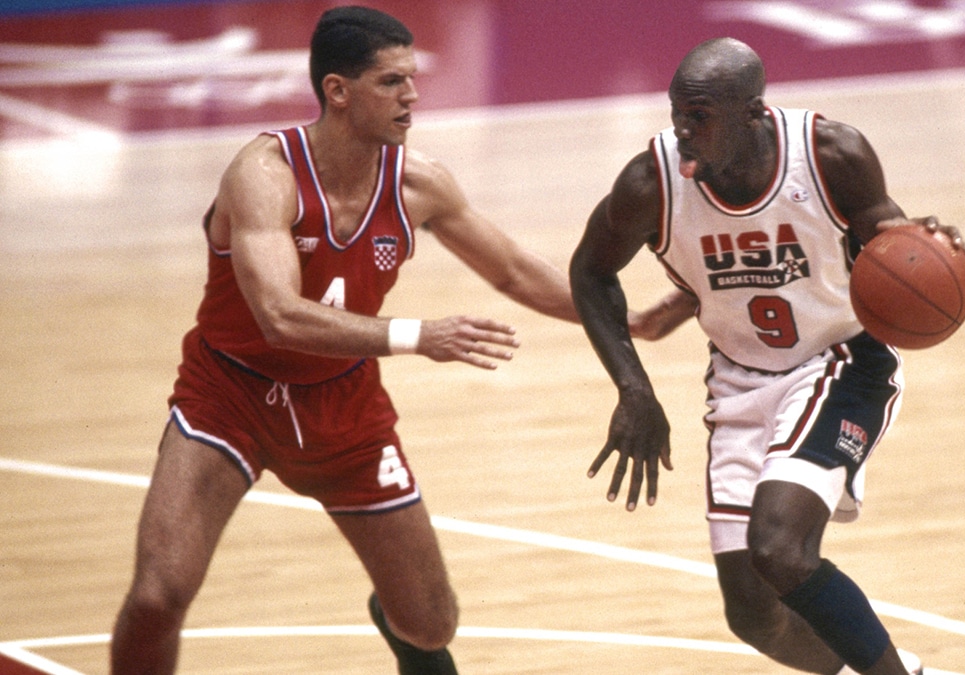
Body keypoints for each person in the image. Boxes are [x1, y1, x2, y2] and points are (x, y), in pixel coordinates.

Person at [108, 7, 668, 674]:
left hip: (344, 408)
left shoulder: (417, 182)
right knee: (157, 593)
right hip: (230, 394)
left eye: (413, 78)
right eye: (390, 82)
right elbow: (280, 315)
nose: (412, 96)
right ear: (338, 91)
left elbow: (513, 269)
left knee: (432, 624)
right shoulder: (264, 174)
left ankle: (396, 616)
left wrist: (620, 319)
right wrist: (418, 335)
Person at [569, 38, 965, 675]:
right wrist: (634, 390)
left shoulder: (829, 154)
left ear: (754, 113)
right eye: (676, 112)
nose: (681, 130)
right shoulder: (651, 182)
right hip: (739, 377)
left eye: (699, 116)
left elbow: (892, 238)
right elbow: (591, 272)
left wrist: (927, 242)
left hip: (840, 359)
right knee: (753, 614)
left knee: (781, 548)